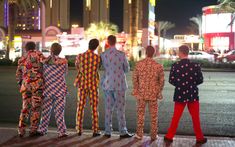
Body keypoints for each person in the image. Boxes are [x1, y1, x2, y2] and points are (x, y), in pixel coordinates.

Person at [164, 45, 207, 146]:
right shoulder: (195, 65)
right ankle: (199, 138)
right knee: (195, 117)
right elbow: (200, 80)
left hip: (180, 95)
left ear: (180, 53)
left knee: (176, 117)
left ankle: (169, 137)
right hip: (193, 94)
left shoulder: (175, 65)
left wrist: (180, 85)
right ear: (187, 52)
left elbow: (171, 80)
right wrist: (191, 85)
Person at [101, 35, 133, 138]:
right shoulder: (121, 55)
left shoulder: (103, 55)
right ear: (116, 42)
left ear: (108, 42)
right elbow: (127, 69)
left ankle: (107, 131)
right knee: (120, 109)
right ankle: (123, 131)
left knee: (108, 108)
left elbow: (103, 68)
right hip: (119, 84)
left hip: (107, 83)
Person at [132, 46, 164, 141]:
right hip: (153, 94)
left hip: (141, 93)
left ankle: (139, 134)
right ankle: (153, 135)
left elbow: (134, 79)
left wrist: (136, 90)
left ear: (145, 52)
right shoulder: (158, 66)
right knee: (154, 115)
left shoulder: (139, 64)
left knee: (140, 114)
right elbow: (161, 81)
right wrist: (158, 91)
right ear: (153, 53)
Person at [38, 43, 68, 138]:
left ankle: (42, 129)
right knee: (59, 112)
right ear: (60, 51)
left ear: (51, 50)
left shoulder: (45, 61)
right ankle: (62, 131)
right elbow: (65, 73)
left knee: (46, 111)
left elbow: (42, 73)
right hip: (60, 90)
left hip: (48, 90)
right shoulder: (64, 62)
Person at [16, 42, 44, 137]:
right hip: (37, 86)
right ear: (34, 47)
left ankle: (21, 130)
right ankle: (33, 130)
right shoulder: (39, 55)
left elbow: (18, 75)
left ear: (25, 48)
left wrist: (21, 84)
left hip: (25, 86)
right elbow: (45, 66)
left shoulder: (21, 59)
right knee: (35, 108)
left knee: (25, 108)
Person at [74, 39, 101, 137]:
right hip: (93, 85)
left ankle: (79, 129)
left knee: (80, 106)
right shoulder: (97, 58)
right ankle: (95, 130)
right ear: (96, 47)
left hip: (82, 84)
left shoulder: (80, 56)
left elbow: (77, 67)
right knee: (94, 107)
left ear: (88, 45)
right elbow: (98, 68)